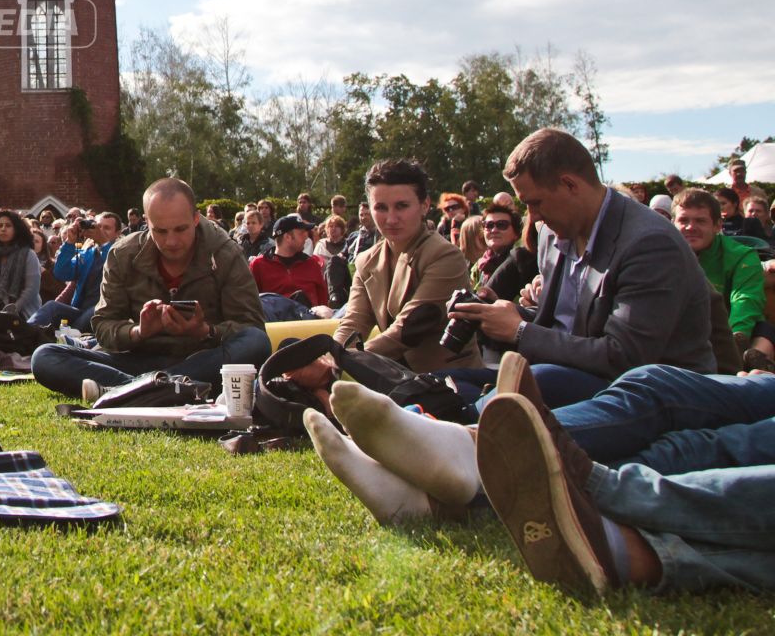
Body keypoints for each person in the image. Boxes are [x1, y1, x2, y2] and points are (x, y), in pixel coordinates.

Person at [306, 350, 775, 595]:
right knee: (694, 444)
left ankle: (467, 462)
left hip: (617, 365)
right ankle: (443, 486)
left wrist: (523, 326)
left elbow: (625, 346)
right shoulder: (561, 244)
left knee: (654, 391)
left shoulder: (647, 239)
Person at [448, 128, 716, 407]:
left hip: (654, 396)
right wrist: (501, 314)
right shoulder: (553, 235)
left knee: (511, 396)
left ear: (570, 185)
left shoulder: (649, 243)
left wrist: (520, 331)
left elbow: (623, 357)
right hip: (569, 376)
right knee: (440, 383)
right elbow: (571, 326)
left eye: (535, 202)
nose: (533, 216)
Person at [30, 179, 268, 400]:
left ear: (196, 218)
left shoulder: (225, 253)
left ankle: (134, 390)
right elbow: (103, 324)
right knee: (45, 356)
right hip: (137, 358)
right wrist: (138, 332)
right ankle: (163, 389)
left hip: (203, 358)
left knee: (256, 342)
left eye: (181, 229)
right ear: (147, 223)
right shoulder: (123, 254)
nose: (172, 241)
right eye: (160, 231)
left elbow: (250, 325)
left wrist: (205, 331)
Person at [335, 158, 479, 372]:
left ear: (425, 206)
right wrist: (329, 355)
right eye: (381, 208)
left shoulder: (446, 256)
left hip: (452, 381)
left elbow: (406, 331)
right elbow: (353, 323)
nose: (391, 219)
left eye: (402, 206)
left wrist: (340, 359)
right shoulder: (366, 260)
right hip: (395, 378)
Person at [674, 188, 766, 340]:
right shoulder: (660, 254)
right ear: (672, 224)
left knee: (763, 329)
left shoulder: (742, 255)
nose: (690, 227)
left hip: (726, 334)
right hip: (675, 337)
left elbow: (745, 299)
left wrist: (734, 338)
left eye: (700, 221)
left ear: (718, 226)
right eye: (683, 220)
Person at [33, 212, 120, 332]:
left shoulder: (121, 253)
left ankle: (69, 339)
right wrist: (69, 242)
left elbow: (115, 268)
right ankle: (21, 333)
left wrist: (104, 243)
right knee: (51, 307)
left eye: (107, 228)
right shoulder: (88, 253)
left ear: (118, 233)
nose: (101, 231)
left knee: (92, 313)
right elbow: (61, 273)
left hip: (104, 311)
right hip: (80, 310)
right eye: (98, 226)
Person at [251, 215, 333, 320]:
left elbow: (323, 303)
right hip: (275, 325)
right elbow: (252, 304)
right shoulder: (259, 265)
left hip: (311, 324)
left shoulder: (312, 264)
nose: (306, 236)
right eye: (301, 233)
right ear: (288, 237)